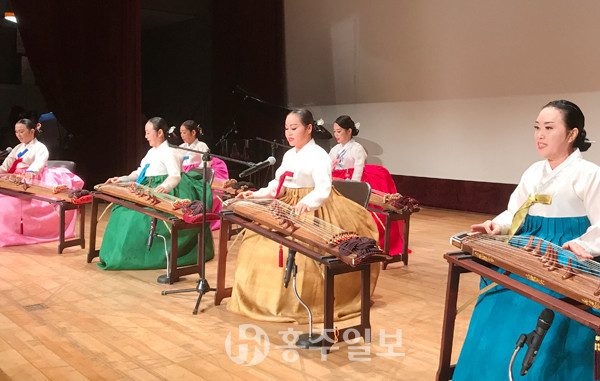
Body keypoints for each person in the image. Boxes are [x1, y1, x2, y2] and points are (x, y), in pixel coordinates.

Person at [453, 100, 600, 380]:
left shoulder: (589, 174)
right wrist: (496, 225)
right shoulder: (533, 171)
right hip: (527, 251)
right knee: (495, 304)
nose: (539, 135)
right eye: (536, 128)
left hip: (561, 258)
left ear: (572, 134)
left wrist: (584, 246)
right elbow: (515, 212)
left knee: (542, 314)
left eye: (548, 128)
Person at [226, 109, 380, 323]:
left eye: (294, 128)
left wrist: (305, 203)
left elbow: (324, 188)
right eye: (287, 129)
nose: (289, 133)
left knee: (304, 255)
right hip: (288, 203)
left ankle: (301, 304)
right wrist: (256, 194)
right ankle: (263, 302)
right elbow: (278, 186)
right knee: (254, 244)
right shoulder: (289, 155)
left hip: (314, 206)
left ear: (309, 129)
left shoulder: (319, 155)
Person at [98, 117, 214, 270]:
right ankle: (117, 253)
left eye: (148, 132)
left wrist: (164, 187)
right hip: (149, 186)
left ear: (160, 132)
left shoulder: (171, 151)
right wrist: (121, 179)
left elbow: (175, 176)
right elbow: (140, 172)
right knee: (120, 210)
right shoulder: (151, 152)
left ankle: (135, 256)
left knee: (135, 218)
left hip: (169, 189)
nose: (145, 136)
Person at [329, 115, 408, 257]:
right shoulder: (335, 149)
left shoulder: (357, 148)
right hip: (337, 181)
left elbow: (358, 169)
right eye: (335, 131)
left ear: (349, 131)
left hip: (352, 181)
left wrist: (353, 188)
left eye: (339, 131)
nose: (336, 135)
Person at [0, 118, 83, 247]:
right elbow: (6, 167)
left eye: (22, 131)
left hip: (35, 179)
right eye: (16, 132)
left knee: (6, 204)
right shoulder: (17, 148)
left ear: (32, 131)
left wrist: (29, 173)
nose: (18, 135)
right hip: (17, 179)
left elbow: (37, 165)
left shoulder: (40, 148)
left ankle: (13, 236)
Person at [177, 119, 228, 231]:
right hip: (184, 174)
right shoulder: (181, 146)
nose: (182, 135)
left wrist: (195, 173)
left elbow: (206, 163)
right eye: (181, 133)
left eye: (184, 132)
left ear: (193, 132)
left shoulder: (202, 146)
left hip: (197, 174)